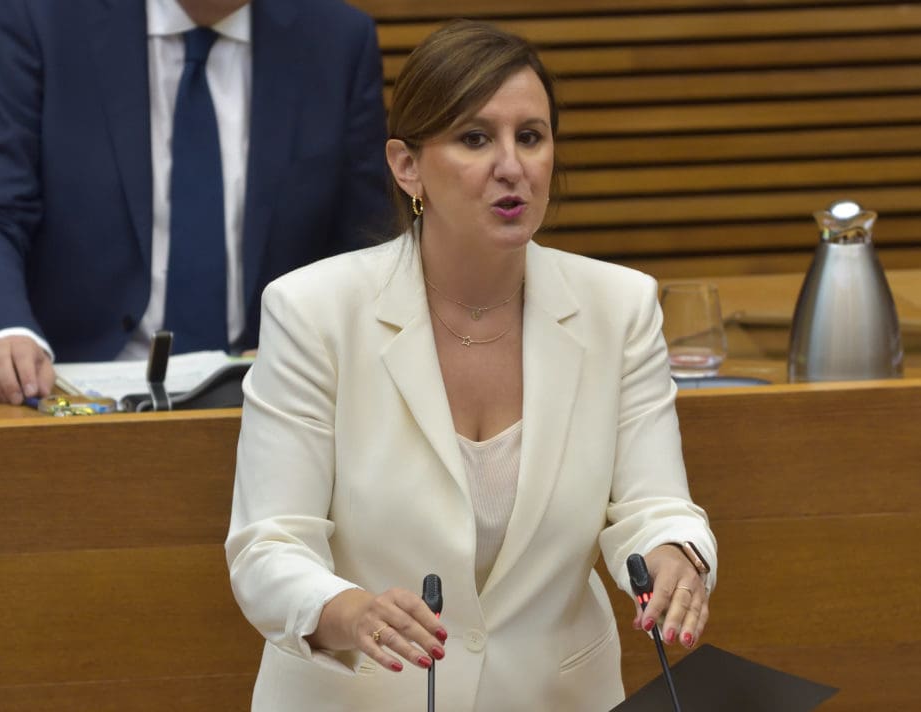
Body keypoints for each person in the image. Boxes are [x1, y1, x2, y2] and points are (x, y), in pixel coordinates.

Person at [225, 20, 718, 712]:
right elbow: (268, 548)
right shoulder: (312, 311)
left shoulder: (620, 306)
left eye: (531, 137)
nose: (512, 166)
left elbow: (654, 506)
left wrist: (674, 557)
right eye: (476, 138)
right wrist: (348, 611)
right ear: (407, 166)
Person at [0, 0, 390, 404]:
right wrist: (4, 330)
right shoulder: (38, 17)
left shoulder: (336, 39)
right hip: (64, 388)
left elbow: (368, 244)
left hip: (270, 394)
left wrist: (314, 345)